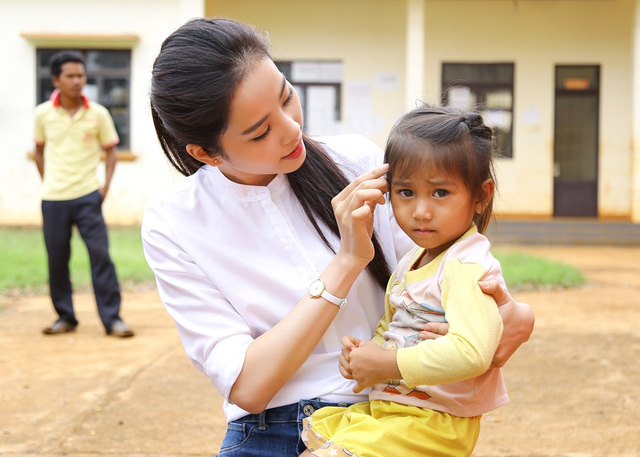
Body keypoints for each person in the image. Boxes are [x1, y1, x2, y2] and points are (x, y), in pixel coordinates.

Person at [142, 17, 534, 457]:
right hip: (268, 430)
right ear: (205, 153)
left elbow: (439, 281)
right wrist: (347, 260)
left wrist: (515, 315)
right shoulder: (174, 222)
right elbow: (248, 386)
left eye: (287, 97)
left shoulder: (359, 163)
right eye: (261, 131)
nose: (292, 129)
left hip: (389, 420)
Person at [300, 104, 513, 457]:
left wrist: (386, 364)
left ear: (481, 195)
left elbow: (473, 353)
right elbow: (392, 323)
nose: (420, 211)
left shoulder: (465, 264)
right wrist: (364, 355)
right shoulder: (410, 261)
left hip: (432, 422)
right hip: (398, 412)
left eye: (441, 193)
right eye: (406, 192)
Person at [33, 50, 134, 338]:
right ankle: (65, 317)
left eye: (81, 75)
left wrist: (105, 187)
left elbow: (111, 151)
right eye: (70, 76)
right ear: (56, 80)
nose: (78, 81)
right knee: (57, 258)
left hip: (89, 196)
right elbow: (38, 151)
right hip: (53, 199)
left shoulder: (98, 114)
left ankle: (112, 319)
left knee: (101, 256)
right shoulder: (42, 114)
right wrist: (48, 180)